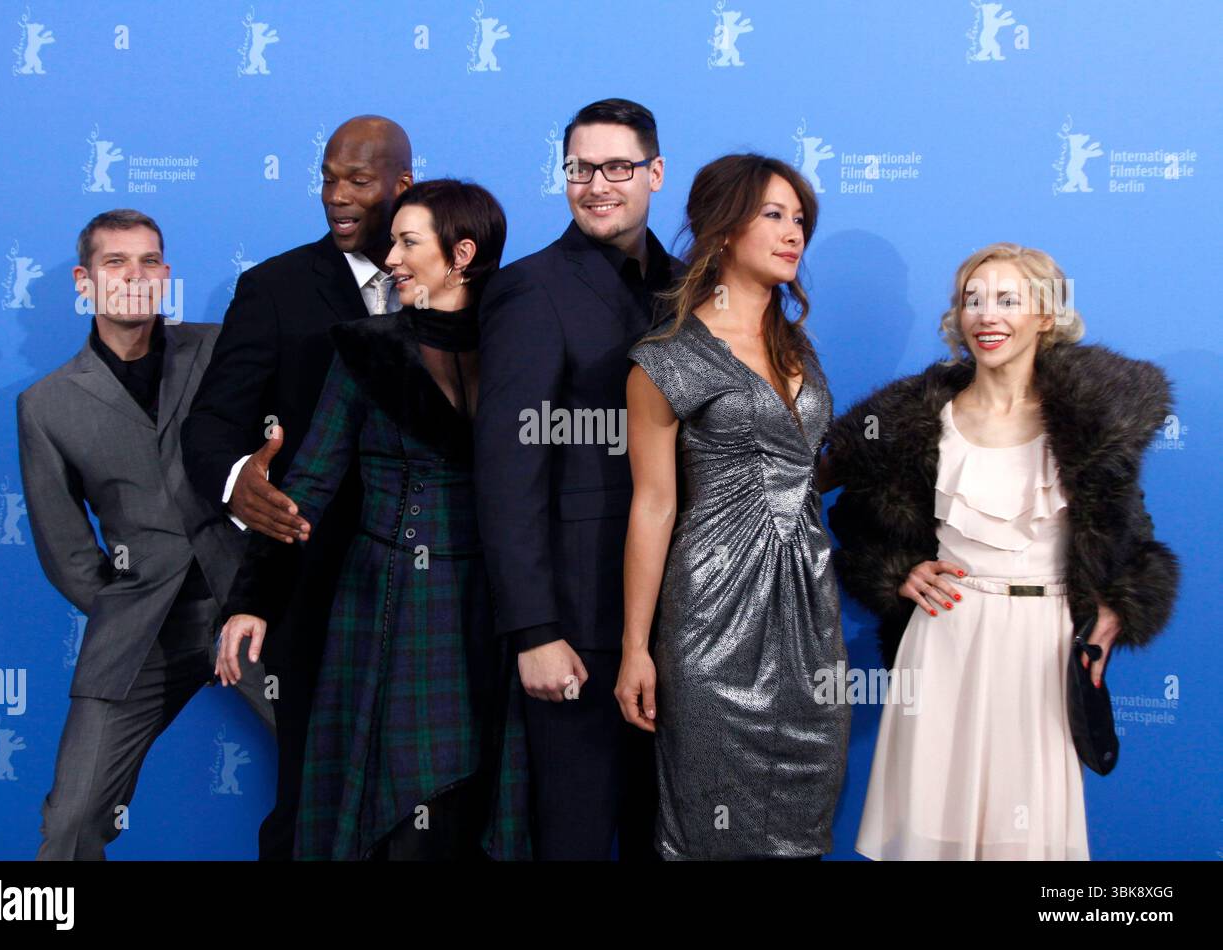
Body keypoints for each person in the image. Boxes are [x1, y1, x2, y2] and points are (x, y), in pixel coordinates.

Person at [826, 243, 1180, 860]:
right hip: (944, 638)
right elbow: (856, 520)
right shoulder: (914, 419)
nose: (987, 315)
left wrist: (1116, 612)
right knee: (933, 828)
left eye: (1008, 300)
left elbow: (1132, 540)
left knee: (1027, 838)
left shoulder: (1092, 424)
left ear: (1046, 314)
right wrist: (895, 573)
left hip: (1042, 646)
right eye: (973, 299)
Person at [218, 179, 529, 860]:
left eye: (407, 242)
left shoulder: (523, 349)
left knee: (475, 805)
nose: (389, 258)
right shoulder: (367, 350)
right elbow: (310, 482)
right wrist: (254, 599)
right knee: (390, 808)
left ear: (461, 254)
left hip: (499, 607)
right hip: (388, 601)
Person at [181, 116, 413, 860]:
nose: (336, 196)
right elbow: (213, 424)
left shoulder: (453, 288)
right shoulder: (275, 288)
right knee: (314, 788)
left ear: (401, 186)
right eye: (327, 178)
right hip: (316, 576)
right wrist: (236, 480)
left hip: (435, 581)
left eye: (358, 180)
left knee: (426, 791)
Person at [616, 154, 851, 859]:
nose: (793, 234)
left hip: (811, 617)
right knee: (707, 831)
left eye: (800, 219)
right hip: (710, 624)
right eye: (773, 216)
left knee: (804, 824)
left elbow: (798, 472)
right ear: (722, 232)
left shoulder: (797, 345)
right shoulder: (665, 359)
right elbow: (653, 508)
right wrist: (635, 648)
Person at [18, 209, 267, 859]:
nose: (135, 276)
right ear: (84, 280)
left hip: (252, 603)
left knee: (339, 768)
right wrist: (126, 606)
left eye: (149, 262)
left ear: (166, 275)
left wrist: (262, 583)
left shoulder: (218, 349)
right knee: (71, 818)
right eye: (115, 263)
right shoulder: (46, 405)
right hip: (140, 632)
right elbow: (66, 548)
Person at [473, 98, 681, 860]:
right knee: (578, 839)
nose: (597, 184)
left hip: (686, 619)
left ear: (654, 173)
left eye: (617, 167)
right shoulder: (531, 289)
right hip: (579, 624)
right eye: (580, 169)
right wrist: (534, 630)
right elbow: (506, 471)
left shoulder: (695, 291)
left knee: (672, 837)